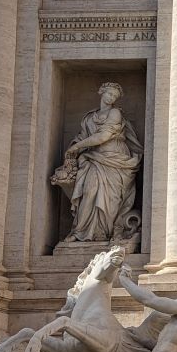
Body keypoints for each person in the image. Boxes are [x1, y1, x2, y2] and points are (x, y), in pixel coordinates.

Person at [54, 82, 143, 243]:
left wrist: (78, 147)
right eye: (109, 94)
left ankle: (104, 232)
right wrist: (75, 147)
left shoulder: (115, 113)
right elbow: (82, 137)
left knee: (111, 199)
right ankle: (81, 230)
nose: (111, 98)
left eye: (115, 96)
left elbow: (102, 137)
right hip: (94, 159)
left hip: (116, 161)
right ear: (101, 92)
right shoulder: (89, 117)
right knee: (89, 191)